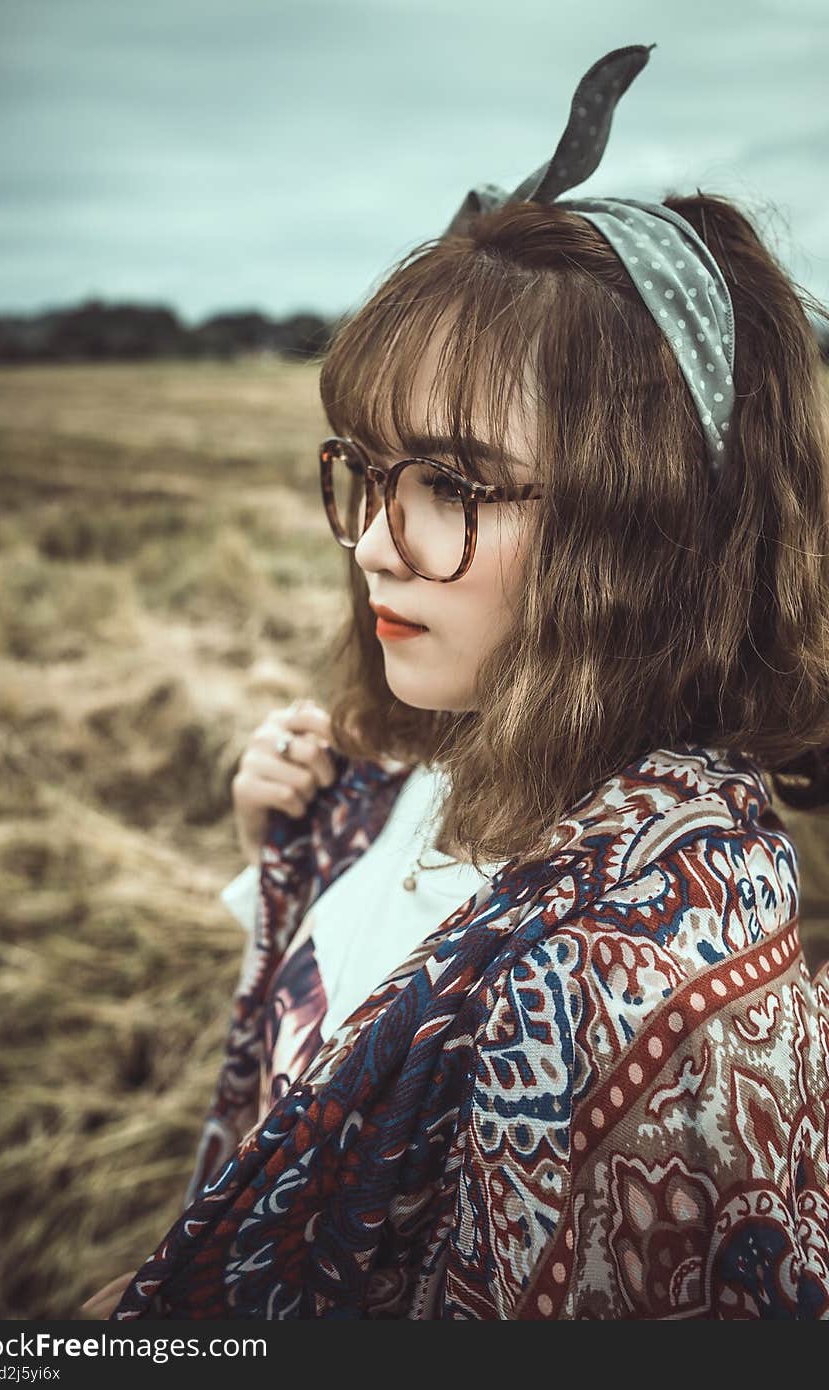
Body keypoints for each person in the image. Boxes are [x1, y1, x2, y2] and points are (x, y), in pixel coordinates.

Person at [89, 43, 829, 1320]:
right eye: (370, 472)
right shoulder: (435, 768)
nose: (374, 540)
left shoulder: (632, 983)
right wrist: (292, 852)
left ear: (647, 535)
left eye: (454, 485)